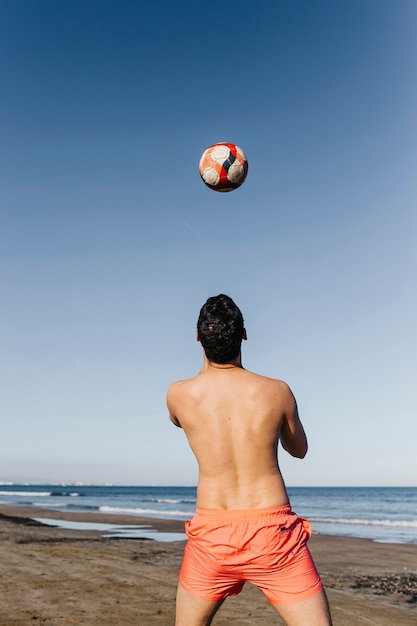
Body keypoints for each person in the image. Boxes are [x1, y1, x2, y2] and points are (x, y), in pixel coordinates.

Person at [167, 294, 332, 626]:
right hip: (274, 533)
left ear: (198, 337)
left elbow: (180, 421)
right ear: (244, 335)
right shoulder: (277, 391)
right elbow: (299, 449)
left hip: (212, 532)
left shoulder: (179, 395)